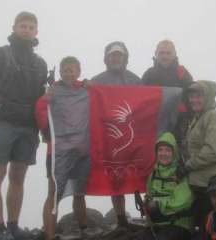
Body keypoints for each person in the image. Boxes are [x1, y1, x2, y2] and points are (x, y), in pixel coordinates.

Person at [0, 11, 47, 240]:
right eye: (22, 26)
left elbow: (40, 98)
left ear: (36, 31)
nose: (26, 30)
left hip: (28, 127)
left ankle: (13, 227)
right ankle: (0, 230)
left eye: (30, 27)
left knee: (18, 177)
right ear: (14, 28)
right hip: (1, 123)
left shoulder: (40, 63)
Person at [35, 57, 90, 240]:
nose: (69, 73)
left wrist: (90, 85)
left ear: (79, 71)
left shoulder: (86, 90)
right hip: (57, 151)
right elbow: (41, 114)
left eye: (72, 70)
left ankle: (84, 230)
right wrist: (45, 101)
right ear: (60, 72)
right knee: (54, 192)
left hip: (81, 150)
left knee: (79, 192)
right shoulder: (53, 92)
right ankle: (49, 234)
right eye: (65, 70)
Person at [90, 41, 141, 230]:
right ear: (106, 58)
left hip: (134, 134)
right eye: (112, 55)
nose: (116, 58)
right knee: (115, 175)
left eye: (119, 55)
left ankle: (147, 214)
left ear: (125, 58)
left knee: (140, 173)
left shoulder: (135, 79)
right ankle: (121, 219)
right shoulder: (96, 81)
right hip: (108, 136)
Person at [177, 81, 216, 232]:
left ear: (207, 97)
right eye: (191, 96)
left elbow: (212, 150)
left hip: (212, 184)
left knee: (213, 229)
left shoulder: (213, 117)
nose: (194, 100)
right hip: (199, 183)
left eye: (199, 96)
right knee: (203, 228)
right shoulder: (198, 117)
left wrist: (188, 166)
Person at [138, 132, 193, 240]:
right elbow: (149, 195)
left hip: (179, 224)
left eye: (168, 150)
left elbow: (184, 201)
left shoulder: (180, 173)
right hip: (156, 224)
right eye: (160, 150)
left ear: (174, 153)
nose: (163, 153)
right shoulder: (153, 175)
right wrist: (146, 203)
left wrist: (158, 206)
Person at [141, 39, 194, 153]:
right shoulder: (149, 74)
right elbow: (140, 99)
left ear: (175, 55)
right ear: (156, 54)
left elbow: (192, 97)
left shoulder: (182, 73)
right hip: (154, 125)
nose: (164, 56)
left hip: (179, 125)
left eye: (168, 53)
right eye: (161, 53)